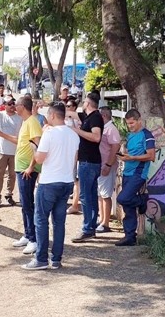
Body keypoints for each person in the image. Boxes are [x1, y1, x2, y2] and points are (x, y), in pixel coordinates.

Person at [22, 103, 79, 270]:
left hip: (49, 182)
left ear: (53, 115)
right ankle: (56, 259)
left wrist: (34, 146)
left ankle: (40, 258)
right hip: (66, 181)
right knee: (59, 222)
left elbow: (39, 159)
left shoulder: (49, 134)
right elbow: (74, 159)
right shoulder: (74, 135)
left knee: (41, 220)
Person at [0, 96, 42, 254]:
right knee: (24, 203)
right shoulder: (25, 122)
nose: (14, 106)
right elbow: (20, 141)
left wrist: (31, 166)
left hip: (27, 170)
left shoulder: (33, 122)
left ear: (23, 106)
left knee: (28, 203)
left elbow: (37, 144)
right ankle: (28, 234)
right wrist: (1, 134)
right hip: (21, 167)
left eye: (17, 104)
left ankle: (34, 239)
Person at [114, 109, 155, 245]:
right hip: (127, 172)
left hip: (138, 173)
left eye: (132, 123)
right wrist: (124, 155)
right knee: (127, 206)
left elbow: (151, 155)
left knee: (123, 198)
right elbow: (130, 152)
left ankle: (142, 201)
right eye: (128, 123)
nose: (130, 126)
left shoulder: (147, 135)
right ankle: (130, 236)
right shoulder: (130, 135)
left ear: (139, 121)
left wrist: (132, 157)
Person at [69, 92, 104, 243]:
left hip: (89, 162)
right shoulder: (89, 117)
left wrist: (76, 130)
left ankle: (88, 228)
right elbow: (72, 114)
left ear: (88, 104)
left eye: (84, 102)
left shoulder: (95, 117)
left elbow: (96, 137)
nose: (82, 104)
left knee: (86, 196)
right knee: (90, 195)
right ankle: (91, 227)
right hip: (89, 162)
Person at [96, 106, 121, 233]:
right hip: (102, 164)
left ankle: (105, 223)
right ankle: (102, 219)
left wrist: (108, 164)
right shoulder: (105, 128)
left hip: (107, 165)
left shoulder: (111, 129)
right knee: (100, 193)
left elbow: (115, 146)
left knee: (105, 194)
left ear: (104, 116)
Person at [65, 99, 83, 215]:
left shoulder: (78, 121)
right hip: (67, 154)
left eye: (69, 106)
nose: (67, 108)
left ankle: (75, 204)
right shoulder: (65, 120)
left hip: (76, 154)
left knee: (76, 181)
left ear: (75, 107)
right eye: (66, 106)